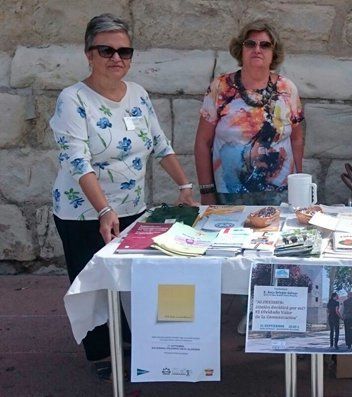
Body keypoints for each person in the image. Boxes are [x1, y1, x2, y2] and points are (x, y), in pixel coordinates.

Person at [50, 13, 197, 379]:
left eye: (124, 51)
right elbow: (77, 161)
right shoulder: (73, 100)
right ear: (89, 53)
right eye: (106, 50)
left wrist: (185, 187)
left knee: (133, 283)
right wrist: (103, 209)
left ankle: (130, 343)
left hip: (133, 209)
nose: (117, 58)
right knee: (96, 285)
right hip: (85, 212)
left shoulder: (138, 94)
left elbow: (161, 145)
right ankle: (101, 355)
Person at [194, 19, 304, 206]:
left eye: (265, 45)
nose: (257, 49)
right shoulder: (221, 87)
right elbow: (202, 143)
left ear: (273, 52)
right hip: (229, 194)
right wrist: (206, 191)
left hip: (280, 196)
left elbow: (296, 139)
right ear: (241, 49)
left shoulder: (287, 89)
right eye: (250, 44)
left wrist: (299, 184)